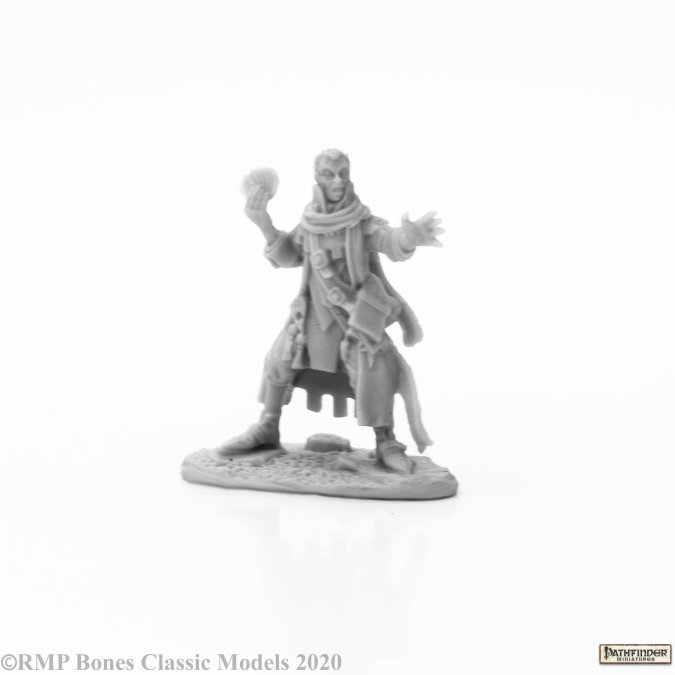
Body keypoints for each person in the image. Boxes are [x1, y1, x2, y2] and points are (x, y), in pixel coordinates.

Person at [216, 149, 444, 473]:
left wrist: (409, 238)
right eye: (329, 174)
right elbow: (290, 256)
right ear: (317, 179)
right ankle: (268, 425)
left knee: (376, 372)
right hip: (313, 317)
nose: (337, 180)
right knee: (278, 360)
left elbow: (389, 241)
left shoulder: (362, 222)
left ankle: (386, 442)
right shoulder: (309, 223)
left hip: (353, 319)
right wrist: (264, 223)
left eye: (343, 173)